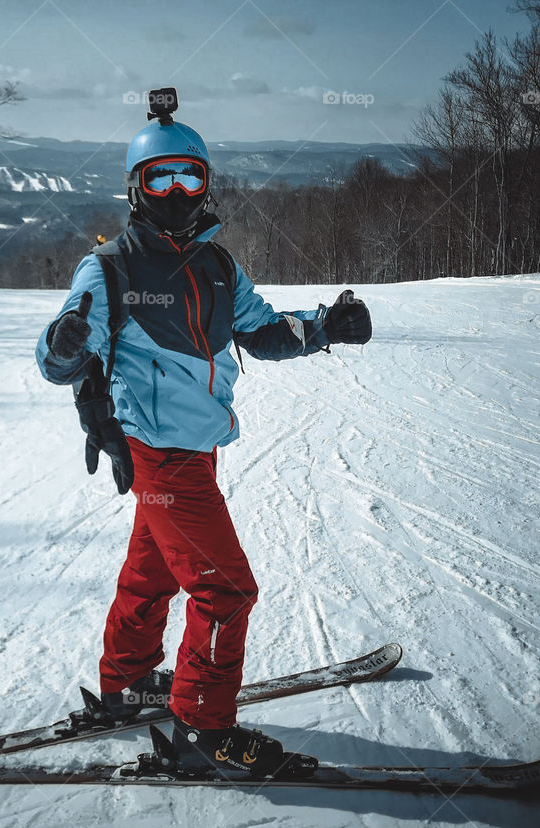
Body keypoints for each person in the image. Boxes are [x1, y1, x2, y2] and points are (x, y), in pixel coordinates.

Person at [35, 91, 371, 777]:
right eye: (160, 178)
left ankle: (128, 680)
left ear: (206, 184)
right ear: (136, 188)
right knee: (226, 590)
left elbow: (265, 330)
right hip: (160, 455)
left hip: (197, 449)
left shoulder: (219, 267)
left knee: (154, 567)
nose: (176, 192)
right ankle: (203, 726)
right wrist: (63, 345)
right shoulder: (109, 268)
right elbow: (60, 353)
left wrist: (325, 326)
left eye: (188, 177)